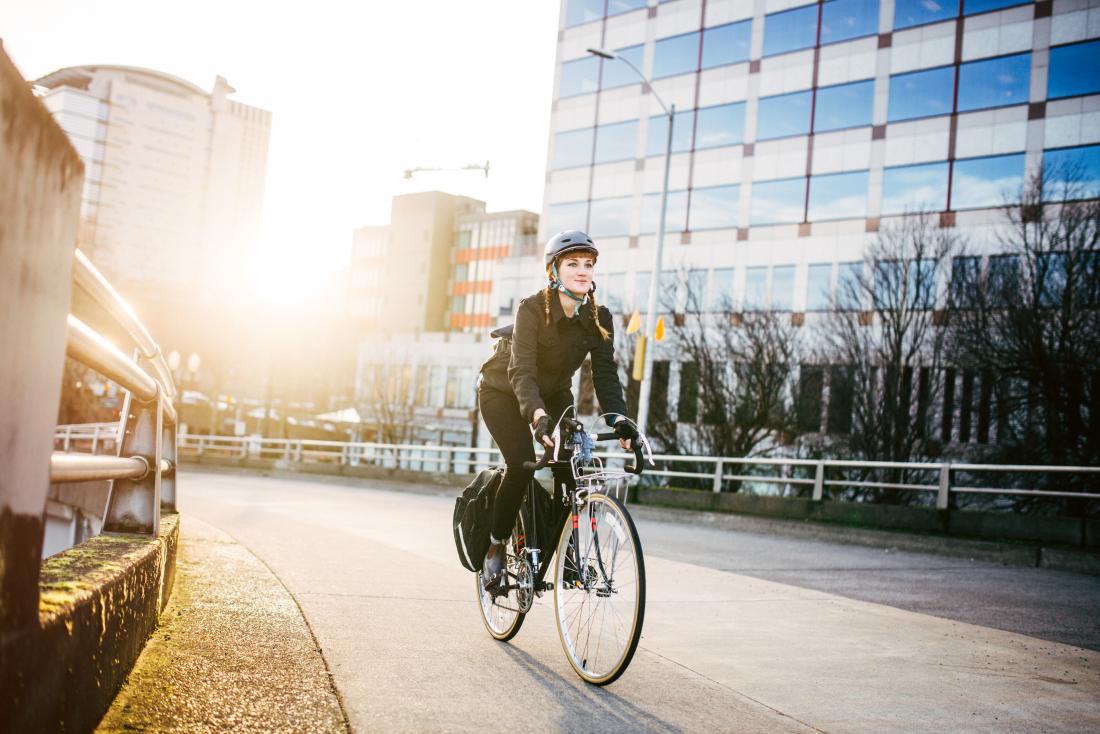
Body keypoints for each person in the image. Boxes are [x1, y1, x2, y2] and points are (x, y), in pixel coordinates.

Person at [476, 230, 639, 586]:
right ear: (554, 270)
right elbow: (521, 371)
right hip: (502, 391)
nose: (583, 271)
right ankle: (495, 546)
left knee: (570, 469)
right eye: (573, 264)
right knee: (520, 465)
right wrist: (536, 416)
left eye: (589, 264)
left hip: (554, 394)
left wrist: (621, 419)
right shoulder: (532, 309)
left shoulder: (599, 317)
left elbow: (606, 374)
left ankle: (568, 557)